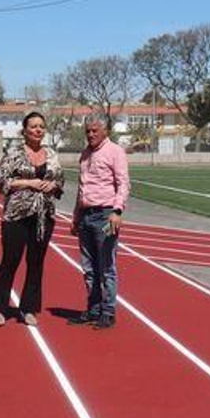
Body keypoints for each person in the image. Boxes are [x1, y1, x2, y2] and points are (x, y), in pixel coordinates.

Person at [0, 111, 64, 326]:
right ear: (24, 131)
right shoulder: (13, 153)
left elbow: (60, 182)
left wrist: (53, 185)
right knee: (10, 261)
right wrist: (27, 183)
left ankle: (28, 308)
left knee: (36, 263)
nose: (38, 130)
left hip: (43, 217)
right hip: (17, 215)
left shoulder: (52, 155)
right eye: (33, 126)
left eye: (41, 126)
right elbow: (2, 184)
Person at [69, 117, 130, 329]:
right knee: (88, 268)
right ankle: (93, 309)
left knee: (106, 267)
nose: (91, 134)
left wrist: (117, 210)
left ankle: (108, 311)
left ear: (105, 131)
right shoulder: (85, 154)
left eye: (95, 130)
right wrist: (76, 217)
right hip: (86, 215)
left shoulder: (115, 152)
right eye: (88, 131)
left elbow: (123, 183)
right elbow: (81, 189)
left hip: (105, 215)